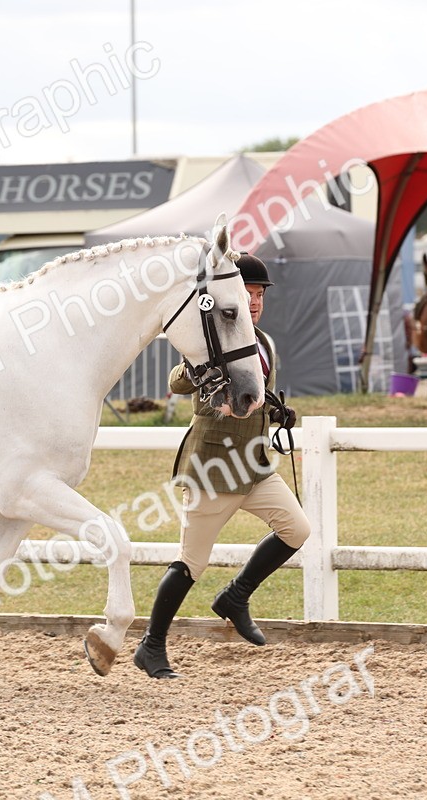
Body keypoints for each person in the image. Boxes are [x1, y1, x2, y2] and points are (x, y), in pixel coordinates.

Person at [133, 253, 311, 679]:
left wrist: (276, 414)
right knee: (191, 562)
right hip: (214, 467)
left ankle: (235, 596)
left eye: (259, 294)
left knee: (297, 529)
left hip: (254, 465)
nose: (253, 302)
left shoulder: (262, 343)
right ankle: (151, 645)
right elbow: (177, 381)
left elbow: (255, 397)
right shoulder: (212, 342)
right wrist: (200, 372)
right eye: (246, 294)